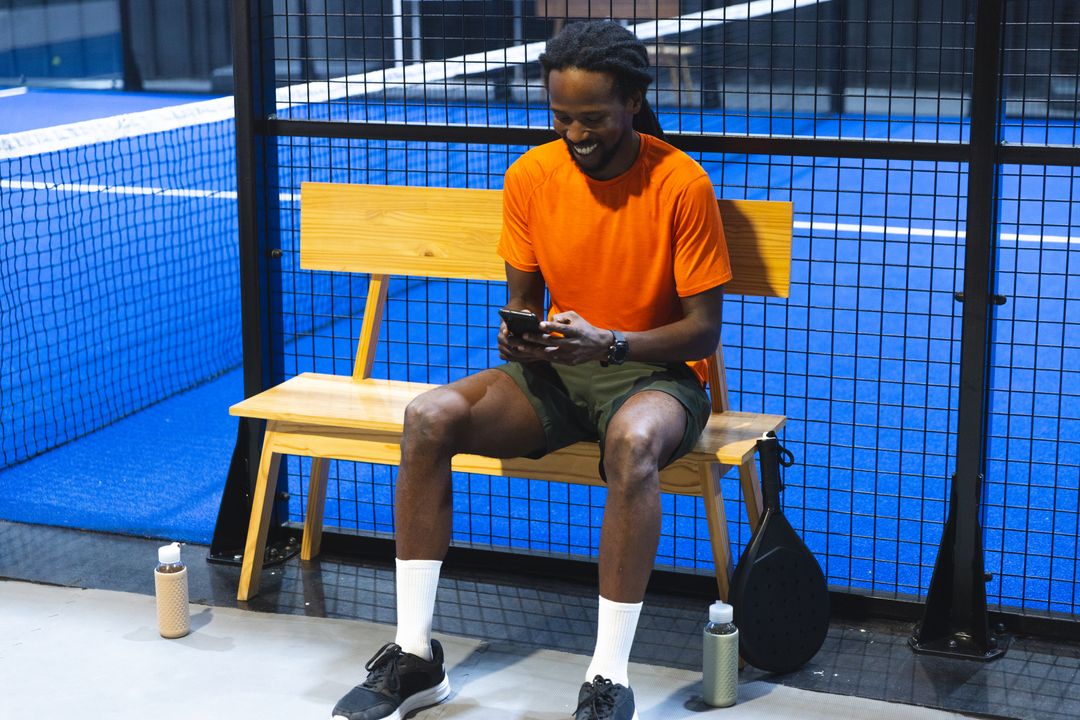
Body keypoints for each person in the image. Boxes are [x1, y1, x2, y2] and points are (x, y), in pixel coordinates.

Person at [331, 20, 731, 720]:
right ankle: (416, 657)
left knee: (634, 444)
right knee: (428, 417)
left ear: (633, 101)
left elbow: (701, 331)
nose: (575, 134)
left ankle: (608, 678)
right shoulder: (531, 176)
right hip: (558, 373)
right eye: (561, 117)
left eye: (593, 118)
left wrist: (608, 344)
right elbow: (523, 304)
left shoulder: (681, 183)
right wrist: (525, 342)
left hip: (654, 378)